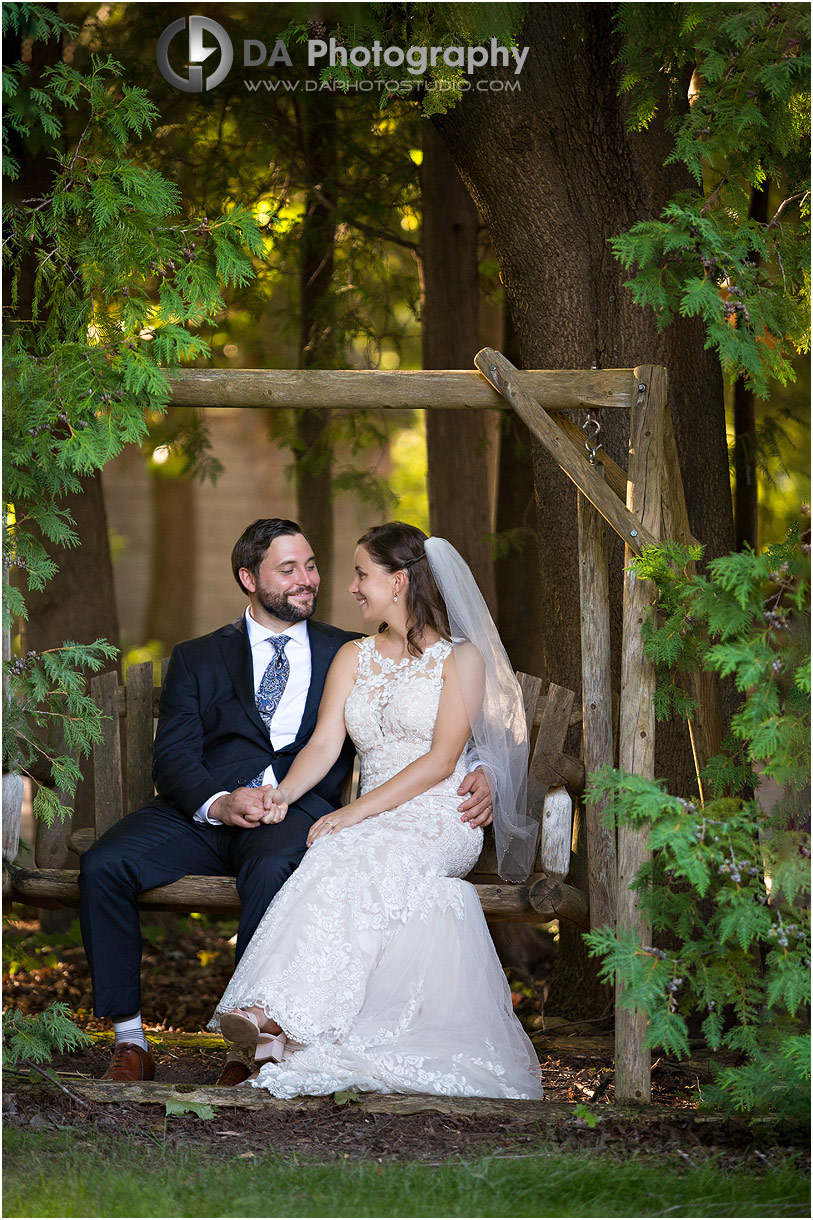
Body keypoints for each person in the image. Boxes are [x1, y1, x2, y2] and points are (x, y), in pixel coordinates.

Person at [78, 518, 492, 1084]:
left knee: (281, 863)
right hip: (209, 814)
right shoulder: (200, 657)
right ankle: (129, 1040)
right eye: (289, 569)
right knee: (104, 863)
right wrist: (223, 802)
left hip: (309, 819)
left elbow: (461, 735)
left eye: (314, 566)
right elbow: (173, 758)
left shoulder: (340, 648)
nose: (311, 580)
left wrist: (484, 768)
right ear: (249, 578)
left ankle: (250, 1050)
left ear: (397, 581)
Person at [209, 522, 543, 1099]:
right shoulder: (352, 656)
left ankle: (284, 1018)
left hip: (440, 814)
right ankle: (271, 1011)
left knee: (353, 843)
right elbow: (323, 746)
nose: (353, 588)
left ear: (401, 580)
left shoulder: (459, 660)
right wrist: (282, 797)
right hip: (376, 814)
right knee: (333, 849)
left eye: (363, 574)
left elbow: (442, 761)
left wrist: (353, 812)